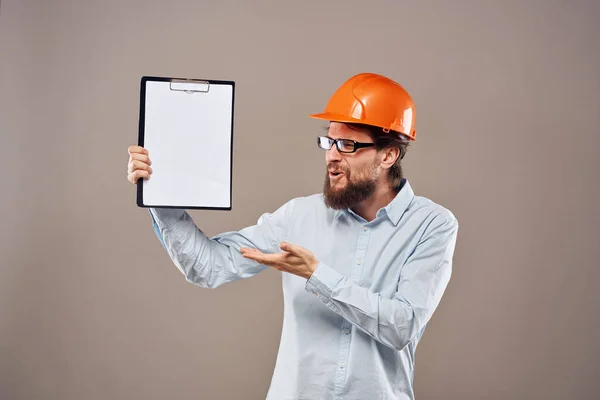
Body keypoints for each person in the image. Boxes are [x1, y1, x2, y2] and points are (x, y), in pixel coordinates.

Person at [126, 72, 459, 400]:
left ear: (388, 155)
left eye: (347, 145)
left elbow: (401, 326)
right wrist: (160, 190)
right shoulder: (299, 216)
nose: (331, 156)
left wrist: (316, 274)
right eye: (329, 141)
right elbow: (208, 267)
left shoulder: (432, 225)